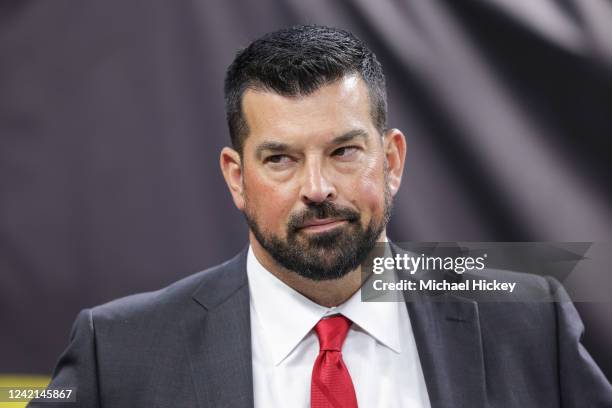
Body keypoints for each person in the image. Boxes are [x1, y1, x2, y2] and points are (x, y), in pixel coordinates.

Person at [31, 25, 611, 408]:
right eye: (280, 159)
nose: (317, 188)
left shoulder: (529, 326)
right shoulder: (119, 352)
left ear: (391, 160)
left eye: (343, 151)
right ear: (237, 177)